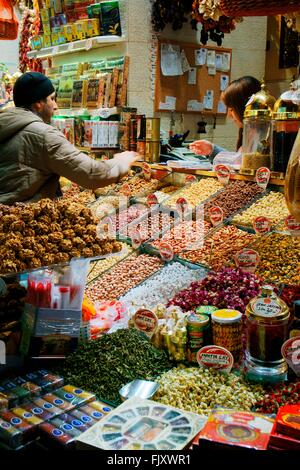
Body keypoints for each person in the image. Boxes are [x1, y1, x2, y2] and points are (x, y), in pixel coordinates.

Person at [0, 71, 138, 204]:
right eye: (52, 99)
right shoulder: (44, 135)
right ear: (38, 103)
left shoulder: (6, 125)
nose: (55, 106)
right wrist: (121, 163)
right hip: (21, 220)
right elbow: (91, 174)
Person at [189, 76, 261, 162]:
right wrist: (211, 149)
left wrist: (213, 150)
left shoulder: (263, 136)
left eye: (231, 109)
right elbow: (238, 159)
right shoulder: (248, 132)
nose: (229, 116)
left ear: (244, 108)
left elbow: (239, 163)